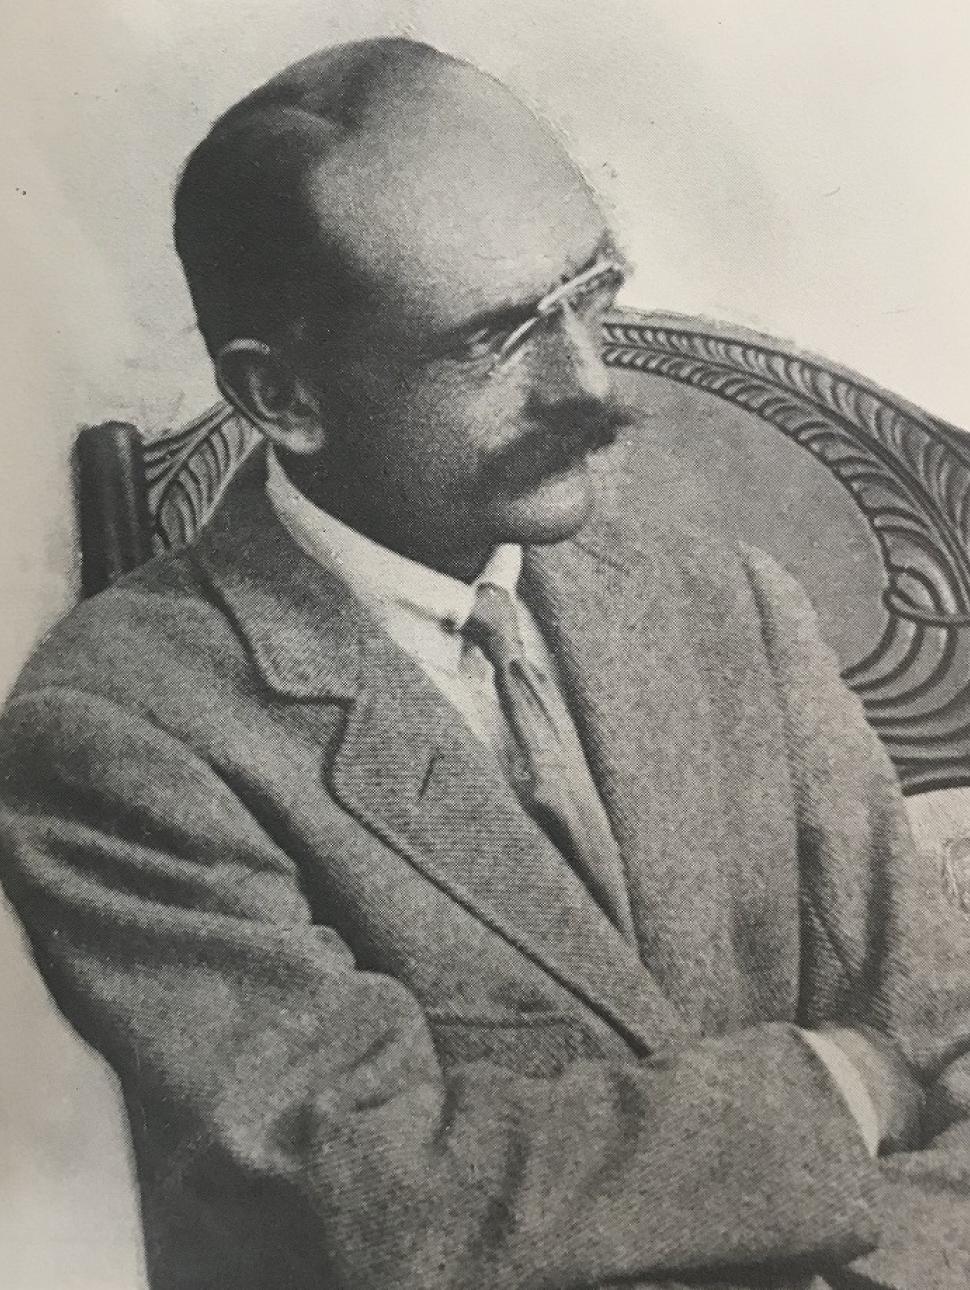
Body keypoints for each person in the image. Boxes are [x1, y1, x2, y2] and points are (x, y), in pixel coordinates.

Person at [1, 37, 967, 1290]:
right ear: (282, 396)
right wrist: (843, 1081)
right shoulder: (120, 731)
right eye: (497, 337)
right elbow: (375, 1198)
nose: (586, 380)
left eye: (590, 290)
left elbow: (948, 1039)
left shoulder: (728, 604)